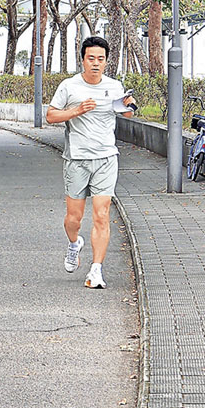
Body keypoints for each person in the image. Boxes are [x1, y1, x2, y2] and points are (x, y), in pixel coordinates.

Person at [45, 36, 136, 290]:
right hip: (77, 159)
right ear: (83, 60)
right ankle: (75, 243)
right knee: (73, 218)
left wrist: (128, 105)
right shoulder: (69, 86)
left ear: (106, 61)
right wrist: (76, 111)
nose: (95, 63)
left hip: (106, 158)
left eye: (100, 59)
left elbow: (126, 112)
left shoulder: (114, 86)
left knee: (102, 214)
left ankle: (96, 270)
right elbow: (51, 116)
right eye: (91, 59)